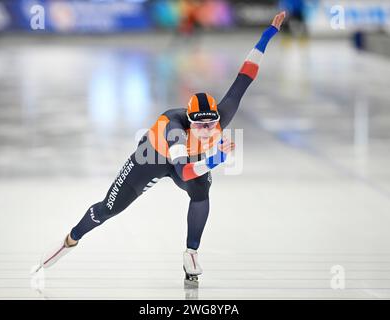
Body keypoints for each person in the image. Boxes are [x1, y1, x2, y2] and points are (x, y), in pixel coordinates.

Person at [36, 11, 286, 284]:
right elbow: (185, 171)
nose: (206, 131)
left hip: (188, 160)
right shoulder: (175, 128)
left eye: (210, 125)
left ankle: (191, 253)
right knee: (109, 209)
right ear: (189, 121)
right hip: (152, 158)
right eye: (199, 127)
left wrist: (267, 35)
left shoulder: (221, 117)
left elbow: (244, 77)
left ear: (216, 117)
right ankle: (70, 240)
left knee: (202, 191)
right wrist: (216, 158)